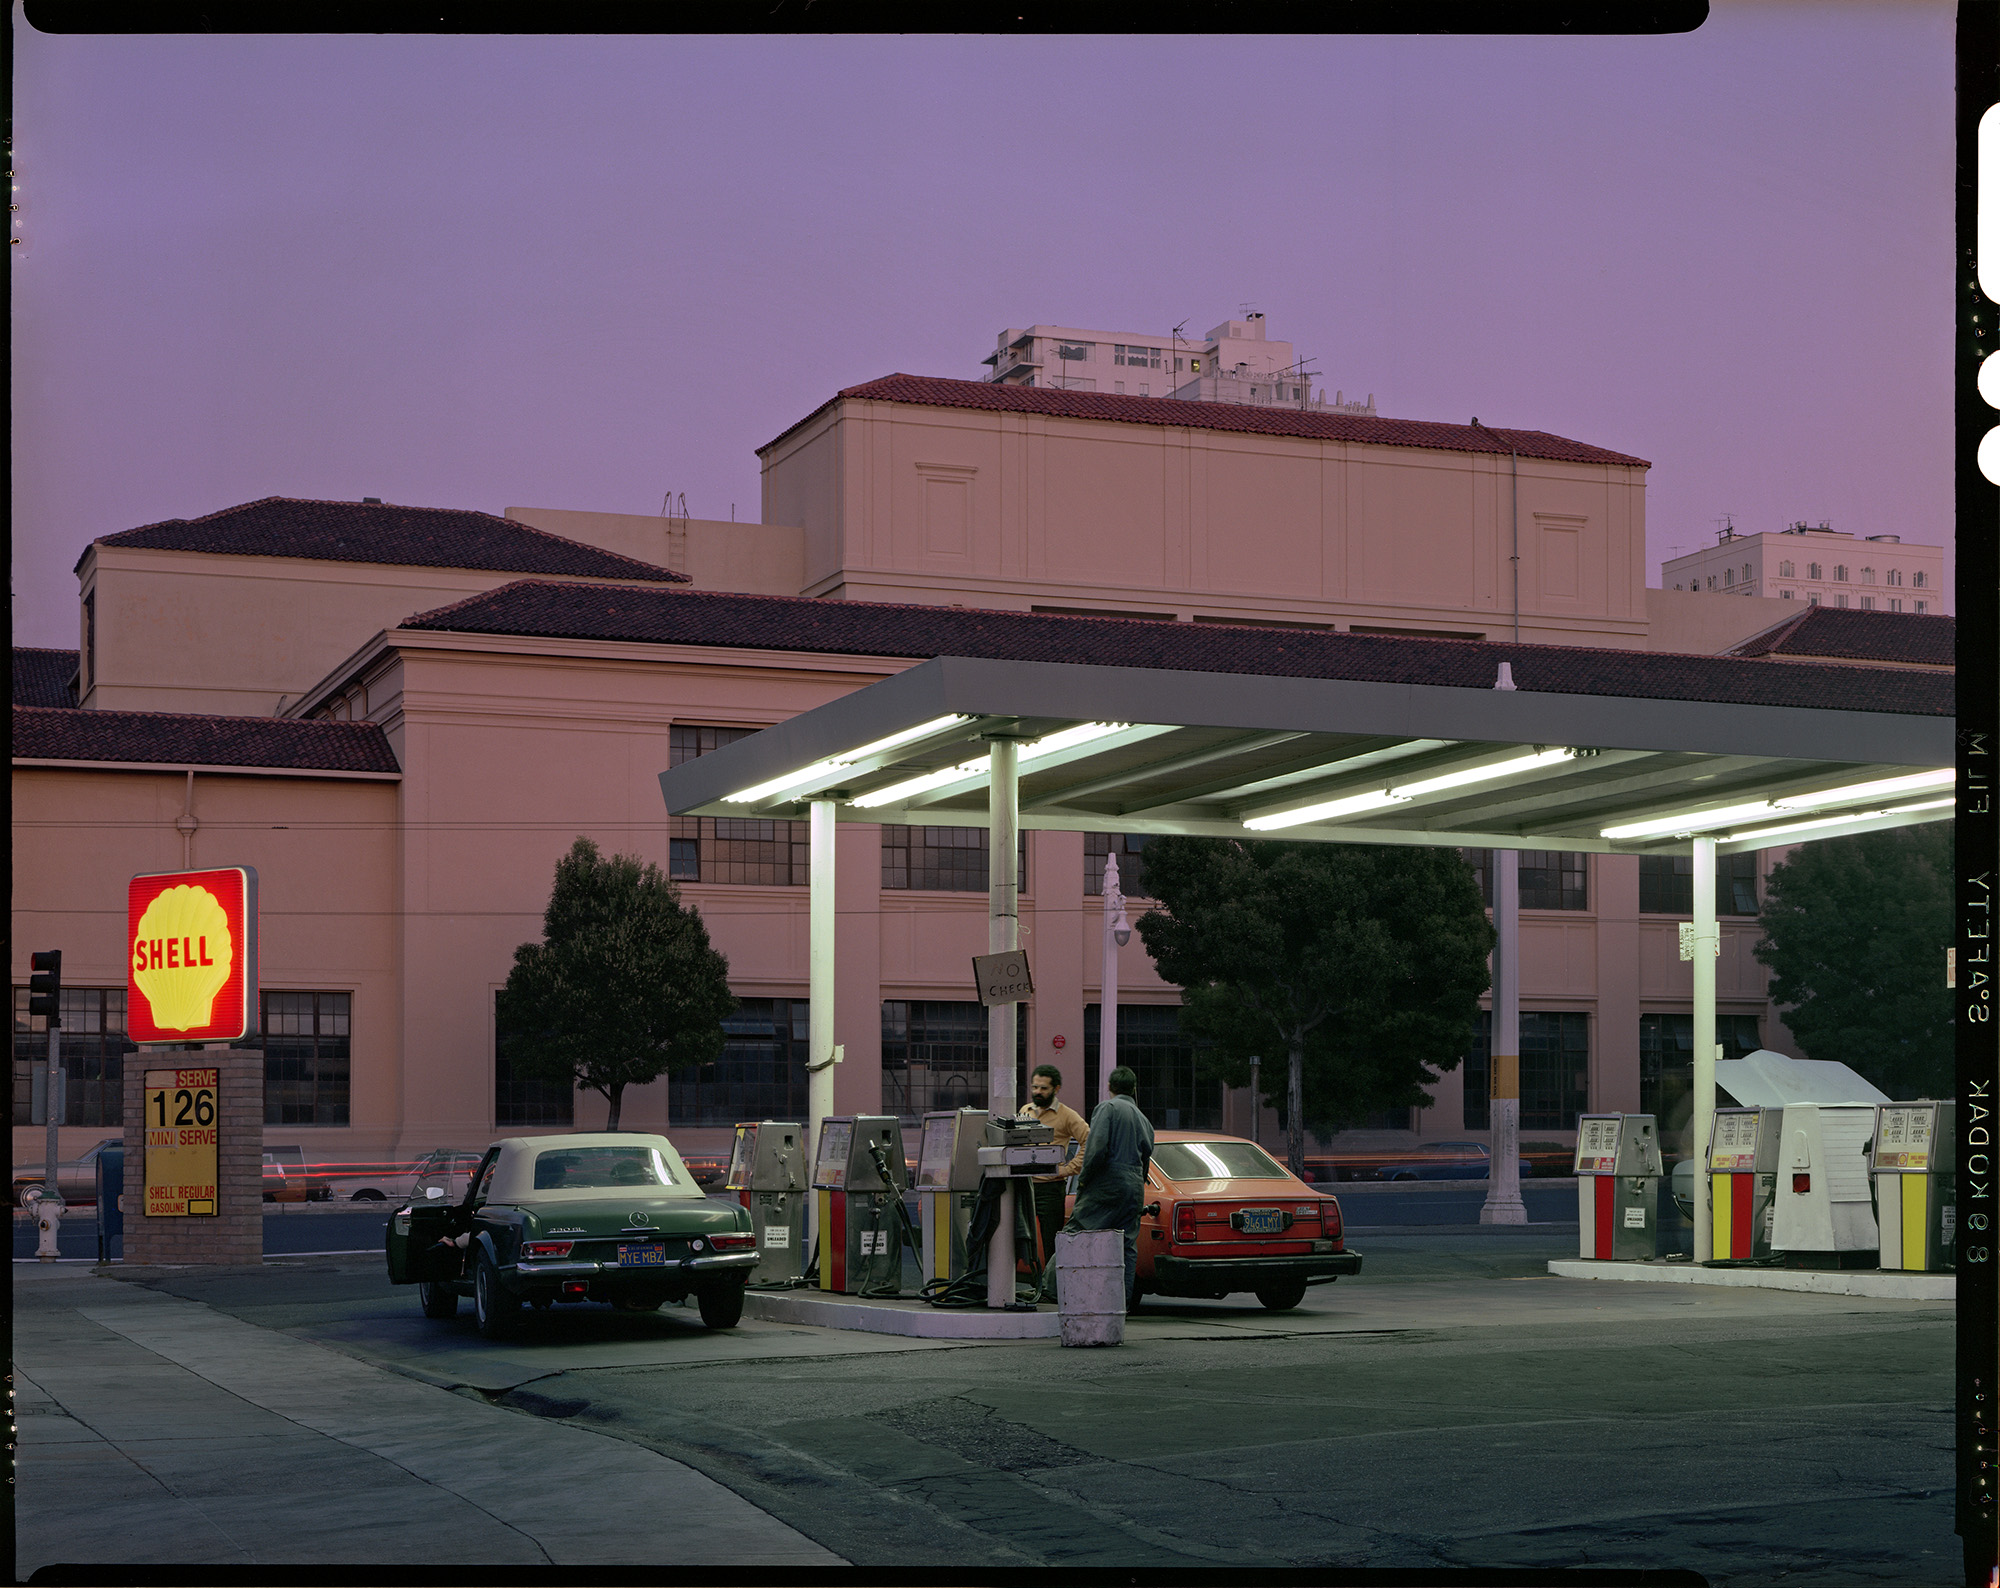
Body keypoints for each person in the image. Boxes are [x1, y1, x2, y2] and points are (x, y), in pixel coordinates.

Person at [1064, 1066, 1154, 1312]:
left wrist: (1084, 1181)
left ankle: (1056, 1291)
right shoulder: (1143, 1119)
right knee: (1126, 1244)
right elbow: (1146, 1158)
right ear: (1134, 1089)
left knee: (1075, 1233)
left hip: (1107, 1183)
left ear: (1109, 1087)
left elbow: (1096, 1150)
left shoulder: (1107, 1108)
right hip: (1134, 1186)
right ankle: (1121, 1304)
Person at [1018, 1063, 1088, 1290]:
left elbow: (1089, 1140)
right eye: (1034, 1087)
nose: (1037, 1092)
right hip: (1025, 1185)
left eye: (1043, 1088)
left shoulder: (1067, 1115)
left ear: (1056, 1089)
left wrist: (1068, 1169)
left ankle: (1053, 1288)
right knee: (1022, 1237)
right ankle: (1033, 1284)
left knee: (1051, 1241)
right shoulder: (1025, 1111)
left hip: (1051, 1188)